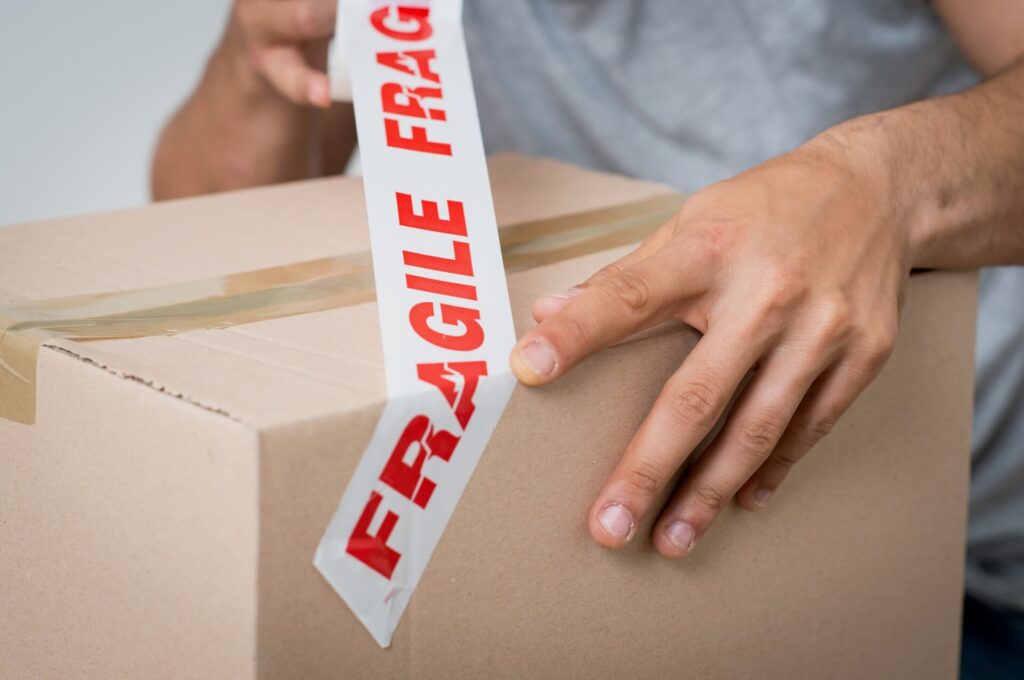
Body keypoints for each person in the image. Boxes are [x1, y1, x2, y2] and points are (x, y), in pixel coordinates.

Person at [152, 1, 1024, 676]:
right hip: (640, 584)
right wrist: (254, 57)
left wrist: (888, 183)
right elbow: (197, 277)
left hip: (976, 552)